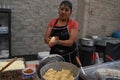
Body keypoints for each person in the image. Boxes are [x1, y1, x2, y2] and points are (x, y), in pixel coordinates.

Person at [44, 0, 81, 67]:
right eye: (61, 9)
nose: (63, 12)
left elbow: (70, 42)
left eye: (66, 10)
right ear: (58, 10)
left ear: (70, 12)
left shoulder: (73, 23)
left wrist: (57, 41)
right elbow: (46, 38)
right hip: (55, 55)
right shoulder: (53, 22)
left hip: (69, 55)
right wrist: (49, 41)